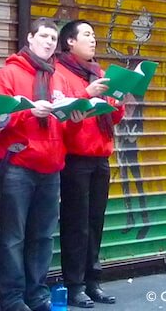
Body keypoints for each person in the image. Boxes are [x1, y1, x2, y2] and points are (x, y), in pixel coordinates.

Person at [0, 18, 83, 311]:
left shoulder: (59, 77)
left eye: (53, 38)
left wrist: (74, 118)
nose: (48, 42)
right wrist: (30, 112)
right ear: (29, 38)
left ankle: (37, 294)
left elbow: (64, 127)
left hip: (51, 166)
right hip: (18, 164)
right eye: (43, 36)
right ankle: (12, 298)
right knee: (13, 237)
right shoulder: (9, 73)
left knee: (43, 236)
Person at [55, 20, 125, 308]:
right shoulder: (59, 73)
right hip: (75, 159)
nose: (93, 40)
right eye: (87, 35)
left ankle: (92, 280)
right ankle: (74, 285)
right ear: (70, 41)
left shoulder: (100, 72)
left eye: (94, 36)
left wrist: (118, 100)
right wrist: (87, 95)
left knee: (95, 222)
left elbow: (114, 117)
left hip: (100, 157)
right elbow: (61, 114)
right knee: (76, 224)